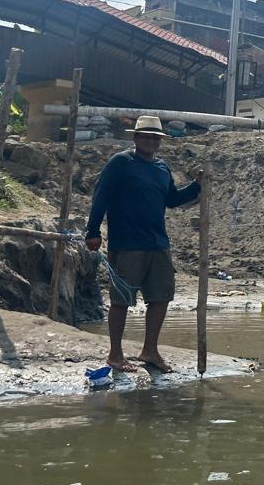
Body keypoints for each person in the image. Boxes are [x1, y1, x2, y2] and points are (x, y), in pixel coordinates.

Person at [85, 115, 201, 373]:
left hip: (157, 243)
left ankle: (150, 350)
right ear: (136, 138)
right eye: (145, 136)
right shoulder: (121, 163)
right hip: (127, 243)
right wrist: (92, 231)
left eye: (154, 137)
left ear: (160, 141)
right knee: (121, 299)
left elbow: (171, 199)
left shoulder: (161, 168)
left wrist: (196, 187)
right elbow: (101, 197)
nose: (150, 141)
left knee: (161, 296)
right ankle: (115, 354)